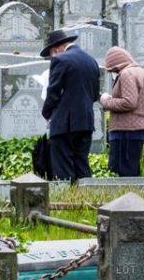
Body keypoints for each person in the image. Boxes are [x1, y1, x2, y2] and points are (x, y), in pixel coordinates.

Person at [40, 29, 101, 183]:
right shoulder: (91, 61)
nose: (52, 57)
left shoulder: (60, 60)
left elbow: (53, 91)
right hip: (86, 121)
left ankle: (65, 198)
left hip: (64, 123)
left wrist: (47, 113)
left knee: (63, 165)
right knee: (82, 163)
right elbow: (94, 94)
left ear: (55, 49)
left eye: (51, 54)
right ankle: (85, 195)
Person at [99, 46, 144, 177]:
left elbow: (129, 102)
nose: (113, 73)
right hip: (133, 128)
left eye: (113, 70)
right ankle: (132, 196)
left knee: (123, 170)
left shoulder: (126, 74)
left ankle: (126, 196)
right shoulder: (138, 71)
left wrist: (106, 100)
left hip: (126, 130)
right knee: (130, 167)